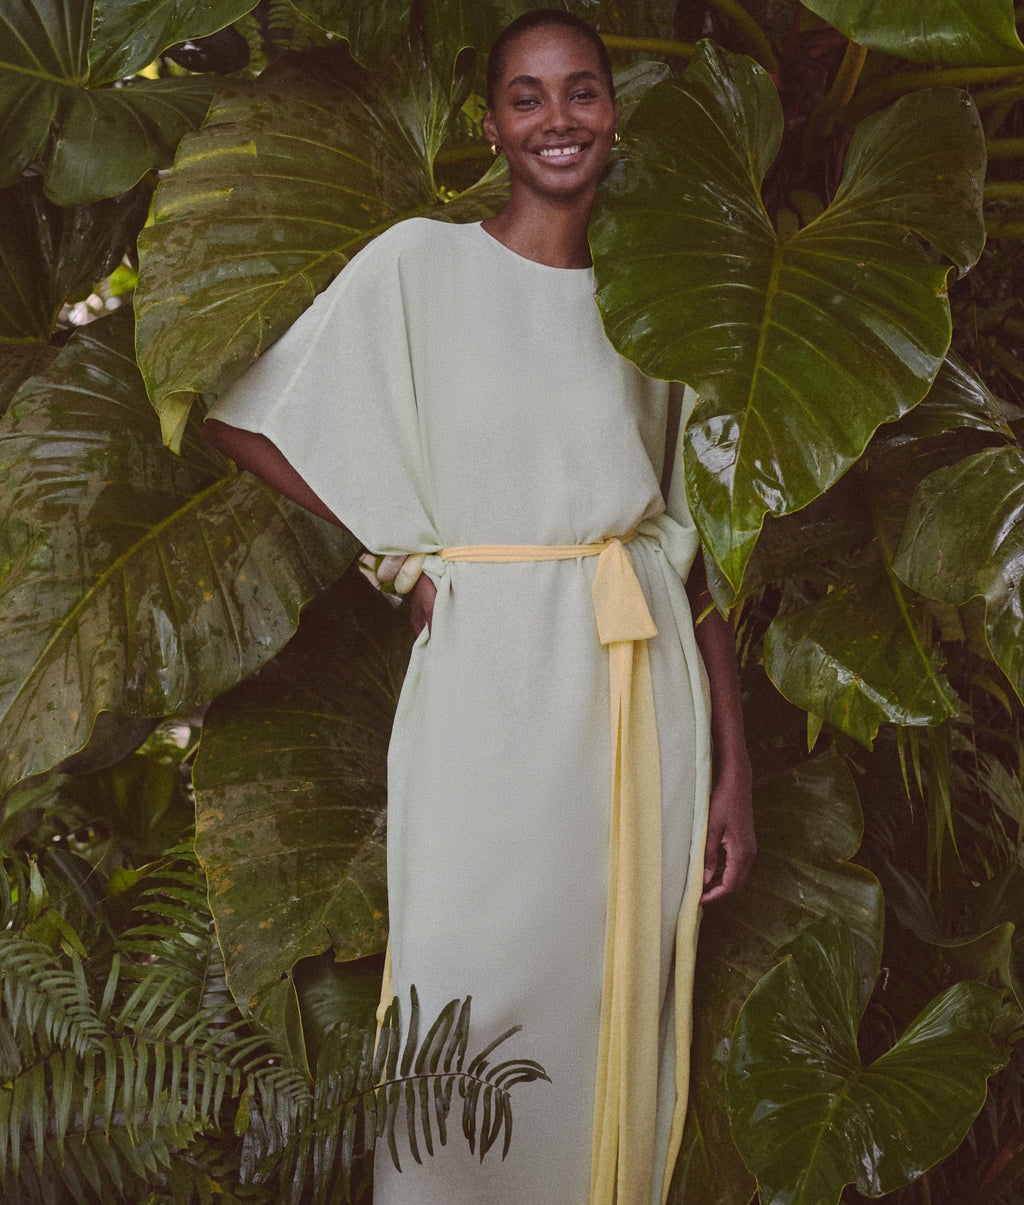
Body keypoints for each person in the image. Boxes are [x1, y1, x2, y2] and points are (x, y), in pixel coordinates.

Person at [205, 9, 754, 1203]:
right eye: (526, 96)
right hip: (484, 686)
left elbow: (694, 547)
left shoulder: (659, 299)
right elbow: (253, 416)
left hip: (634, 694)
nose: (558, 118)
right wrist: (401, 559)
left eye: (581, 90)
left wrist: (732, 768)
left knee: (601, 995)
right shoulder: (421, 264)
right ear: (491, 124)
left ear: (614, 112)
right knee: (459, 978)